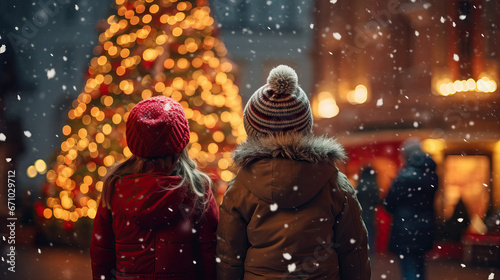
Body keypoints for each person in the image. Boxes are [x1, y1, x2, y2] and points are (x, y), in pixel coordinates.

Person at [216, 65, 371, 280]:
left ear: (253, 130)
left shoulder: (240, 186)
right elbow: (354, 248)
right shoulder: (334, 183)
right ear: (305, 126)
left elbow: (229, 256)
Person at [90, 96, 218, 280]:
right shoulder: (197, 189)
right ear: (180, 145)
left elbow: (101, 252)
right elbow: (209, 251)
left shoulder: (114, 187)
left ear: (135, 142)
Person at [384, 139, 438, 280]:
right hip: (425, 228)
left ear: (405, 156)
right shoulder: (431, 175)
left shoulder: (403, 178)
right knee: (419, 267)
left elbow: (389, 204)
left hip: (405, 230)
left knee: (409, 269)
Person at [355, 166, 379, 255]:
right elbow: (376, 200)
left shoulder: (360, 184)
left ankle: (362, 261)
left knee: (361, 240)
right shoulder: (373, 185)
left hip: (360, 215)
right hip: (370, 216)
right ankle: (369, 261)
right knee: (369, 240)